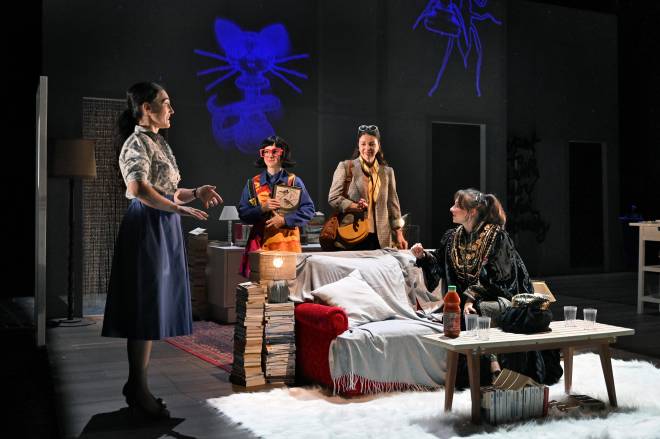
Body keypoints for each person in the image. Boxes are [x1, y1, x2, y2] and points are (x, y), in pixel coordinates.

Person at [102, 82, 223, 419]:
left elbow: (168, 190)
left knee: (153, 305)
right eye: (165, 103)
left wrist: (195, 192)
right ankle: (137, 387)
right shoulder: (136, 143)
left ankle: (136, 383)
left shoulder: (159, 143)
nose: (171, 110)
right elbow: (138, 188)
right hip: (147, 227)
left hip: (163, 224)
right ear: (146, 109)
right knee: (144, 305)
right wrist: (176, 208)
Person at [411, 188, 533, 382]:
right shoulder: (452, 238)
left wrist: (471, 298)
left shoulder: (497, 237)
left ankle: (494, 370)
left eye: (457, 206)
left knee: (478, 309)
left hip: (499, 297)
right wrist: (424, 256)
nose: (451, 209)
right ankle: (483, 372)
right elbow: (439, 265)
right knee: (465, 313)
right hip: (462, 304)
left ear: (472, 212)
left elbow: (500, 276)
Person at [238, 135, 315, 277]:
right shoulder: (252, 184)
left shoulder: (294, 182)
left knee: (288, 290)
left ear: (283, 154)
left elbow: (309, 210)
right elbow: (243, 214)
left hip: (287, 246)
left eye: (275, 151)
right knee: (260, 290)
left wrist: (285, 221)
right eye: (265, 151)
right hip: (261, 246)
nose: (269, 155)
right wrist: (262, 208)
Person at [328, 124, 408, 250]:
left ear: (378, 146)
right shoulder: (345, 167)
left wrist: (399, 234)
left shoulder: (387, 172)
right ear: (358, 146)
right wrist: (355, 206)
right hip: (353, 232)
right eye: (363, 144)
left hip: (381, 237)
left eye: (372, 144)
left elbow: (393, 205)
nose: (367, 148)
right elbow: (333, 198)